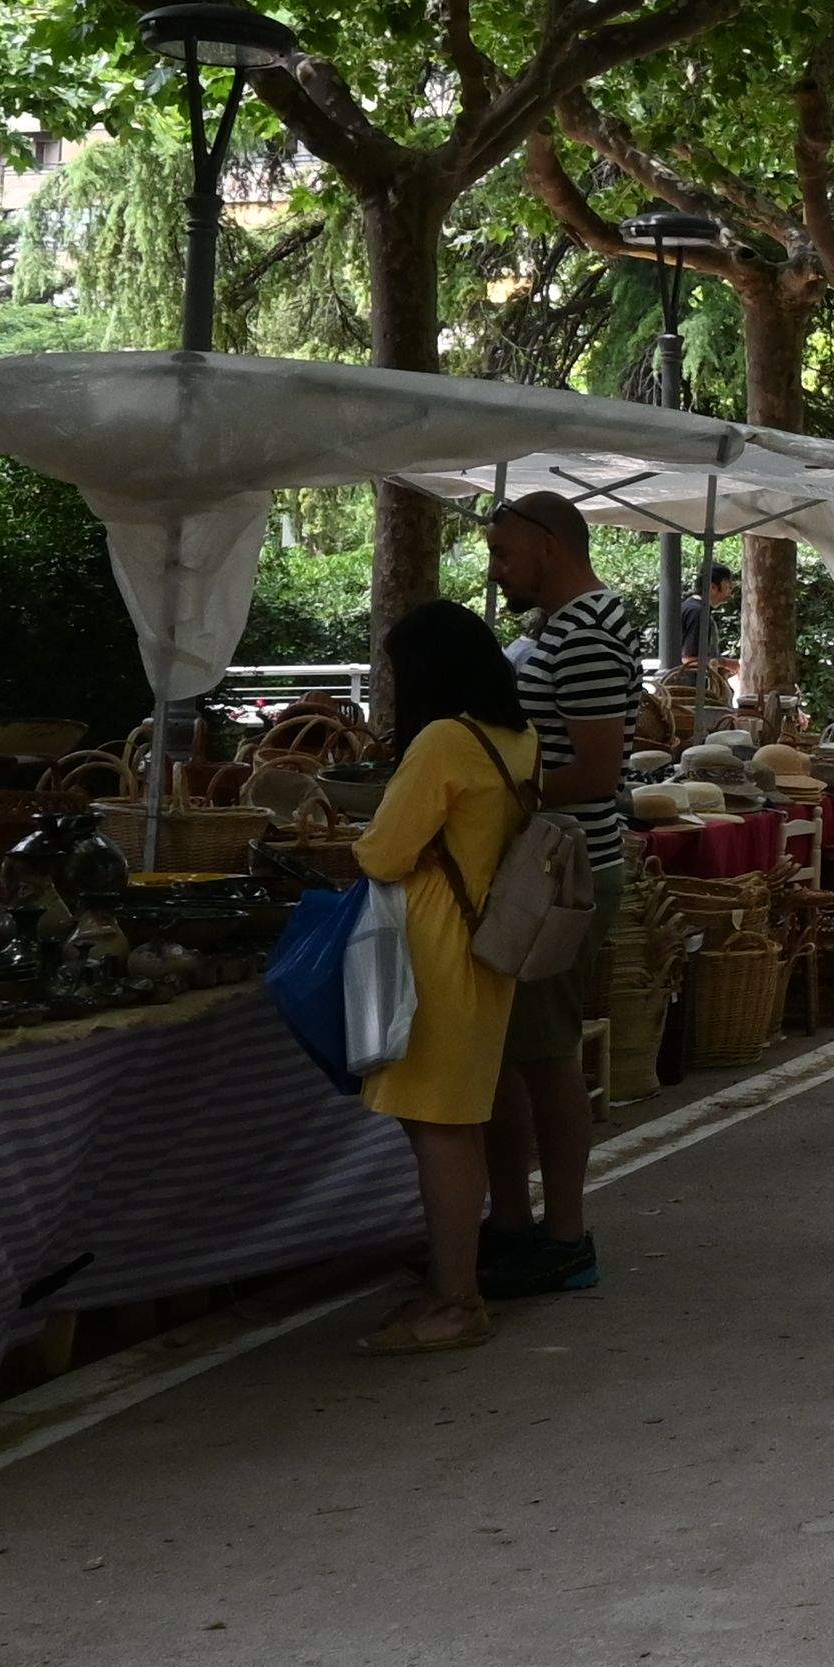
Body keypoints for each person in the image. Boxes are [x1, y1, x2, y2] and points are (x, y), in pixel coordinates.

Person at [346, 603, 538, 1356]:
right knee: (457, 1122)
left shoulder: (442, 741)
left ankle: (457, 1300)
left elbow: (384, 853)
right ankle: (448, 1288)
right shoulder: (514, 737)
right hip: (488, 950)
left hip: (436, 951)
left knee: (442, 1132)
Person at [479, 493, 645, 1300]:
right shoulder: (566, 627)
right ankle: (514, 1225)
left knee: (545, 1059)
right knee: (518, 1055)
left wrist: (489, 791)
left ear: (549, 546)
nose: (498, 570)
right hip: (550, 866)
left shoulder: (584, 633)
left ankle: (565, 1236)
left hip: (563, 872)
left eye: (506, 554)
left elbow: (592, 771)